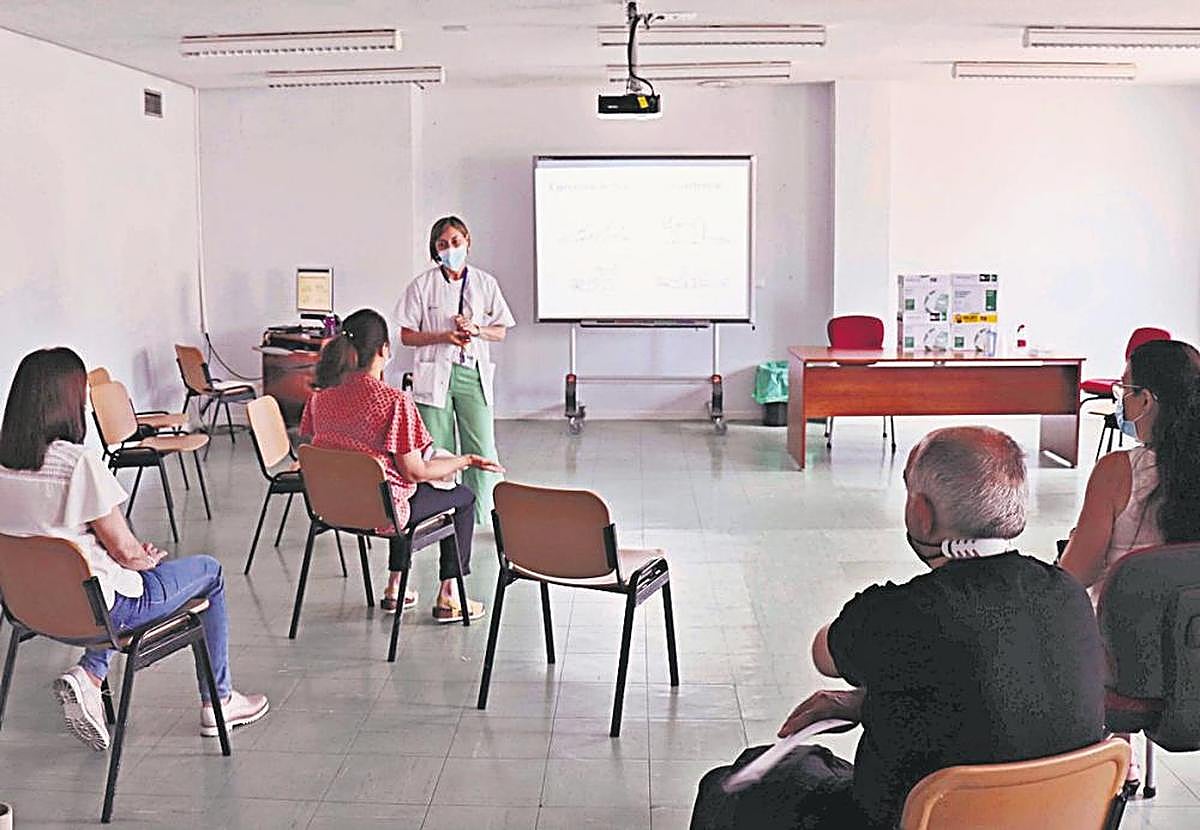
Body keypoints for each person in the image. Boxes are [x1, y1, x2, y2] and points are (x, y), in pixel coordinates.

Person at [691, 427, 1106, 830]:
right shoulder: (1067, 594)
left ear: (922, 515)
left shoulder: (902, 612)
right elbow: (1003, 693)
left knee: (729, 785)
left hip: (910, 818)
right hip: (1048, 816)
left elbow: (824, 653)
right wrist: (860, 703)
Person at [0, 348, 268, 751]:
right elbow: (126, 553)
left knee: (95, 577)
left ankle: (89, 675)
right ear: (69, 402)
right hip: (103, 613)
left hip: (31, 609)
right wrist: (145, 559)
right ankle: (220, 702)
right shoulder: (76, 464)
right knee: (208, 572)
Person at [300, 308, 503, 620]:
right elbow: (415, 471)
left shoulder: (320, 398)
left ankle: (396, 587)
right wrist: (464, 460)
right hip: (381, 513)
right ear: (384, 350)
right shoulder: (392, 401)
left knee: (392, 485)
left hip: (331, 508)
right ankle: (449, 596)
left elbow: (314, 446)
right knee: (460, 498)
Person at [395, 215, 515, 524]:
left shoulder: (485, 283)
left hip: (472, 373)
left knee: (481, 444)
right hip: (434, 376)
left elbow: (500, 330)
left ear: (467, 242)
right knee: (439, 447)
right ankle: (442, 512)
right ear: (435, 249)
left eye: (456, 242)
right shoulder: (422, 285)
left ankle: (482, 515)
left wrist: (476, 330)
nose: (450, 249)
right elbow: (407, 335)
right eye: (443, 244)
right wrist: (442, 336)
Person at [1060, 339, 1200, 595]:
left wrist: (1074, 541)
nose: (1120, 399)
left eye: (1124, 388)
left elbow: (1075, 575)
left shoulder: (1117, 471)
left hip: (1122, 628)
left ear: (1145, 400)